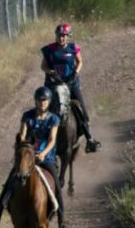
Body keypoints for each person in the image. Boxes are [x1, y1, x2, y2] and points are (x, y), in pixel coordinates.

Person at [0, 86, 73, 228]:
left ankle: (62, 221)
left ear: (49, 102)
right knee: (10, 181)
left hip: (46, 158)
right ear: (35, 101)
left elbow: (51, 140)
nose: (42, 103)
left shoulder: (54, 119)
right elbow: (22, 135)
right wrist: (24, 149)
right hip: (27, 158)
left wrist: (43, 153)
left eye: (44, 101)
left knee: (56, 185)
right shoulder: (27, 116)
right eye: (39, 100)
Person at [41, 23, 101, 153]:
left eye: (64, 36)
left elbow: (80, 61)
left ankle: (90, 139)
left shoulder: (74, 48)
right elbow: (43, 66)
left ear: (68, 37)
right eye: (59, 36)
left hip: (71, 83)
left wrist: (75, 73)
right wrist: (50, 72)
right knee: (42, 107)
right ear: (56, 36)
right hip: (53, 84)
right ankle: (36, 139)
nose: (61, 38)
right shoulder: (49, 49)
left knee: (81, 109)